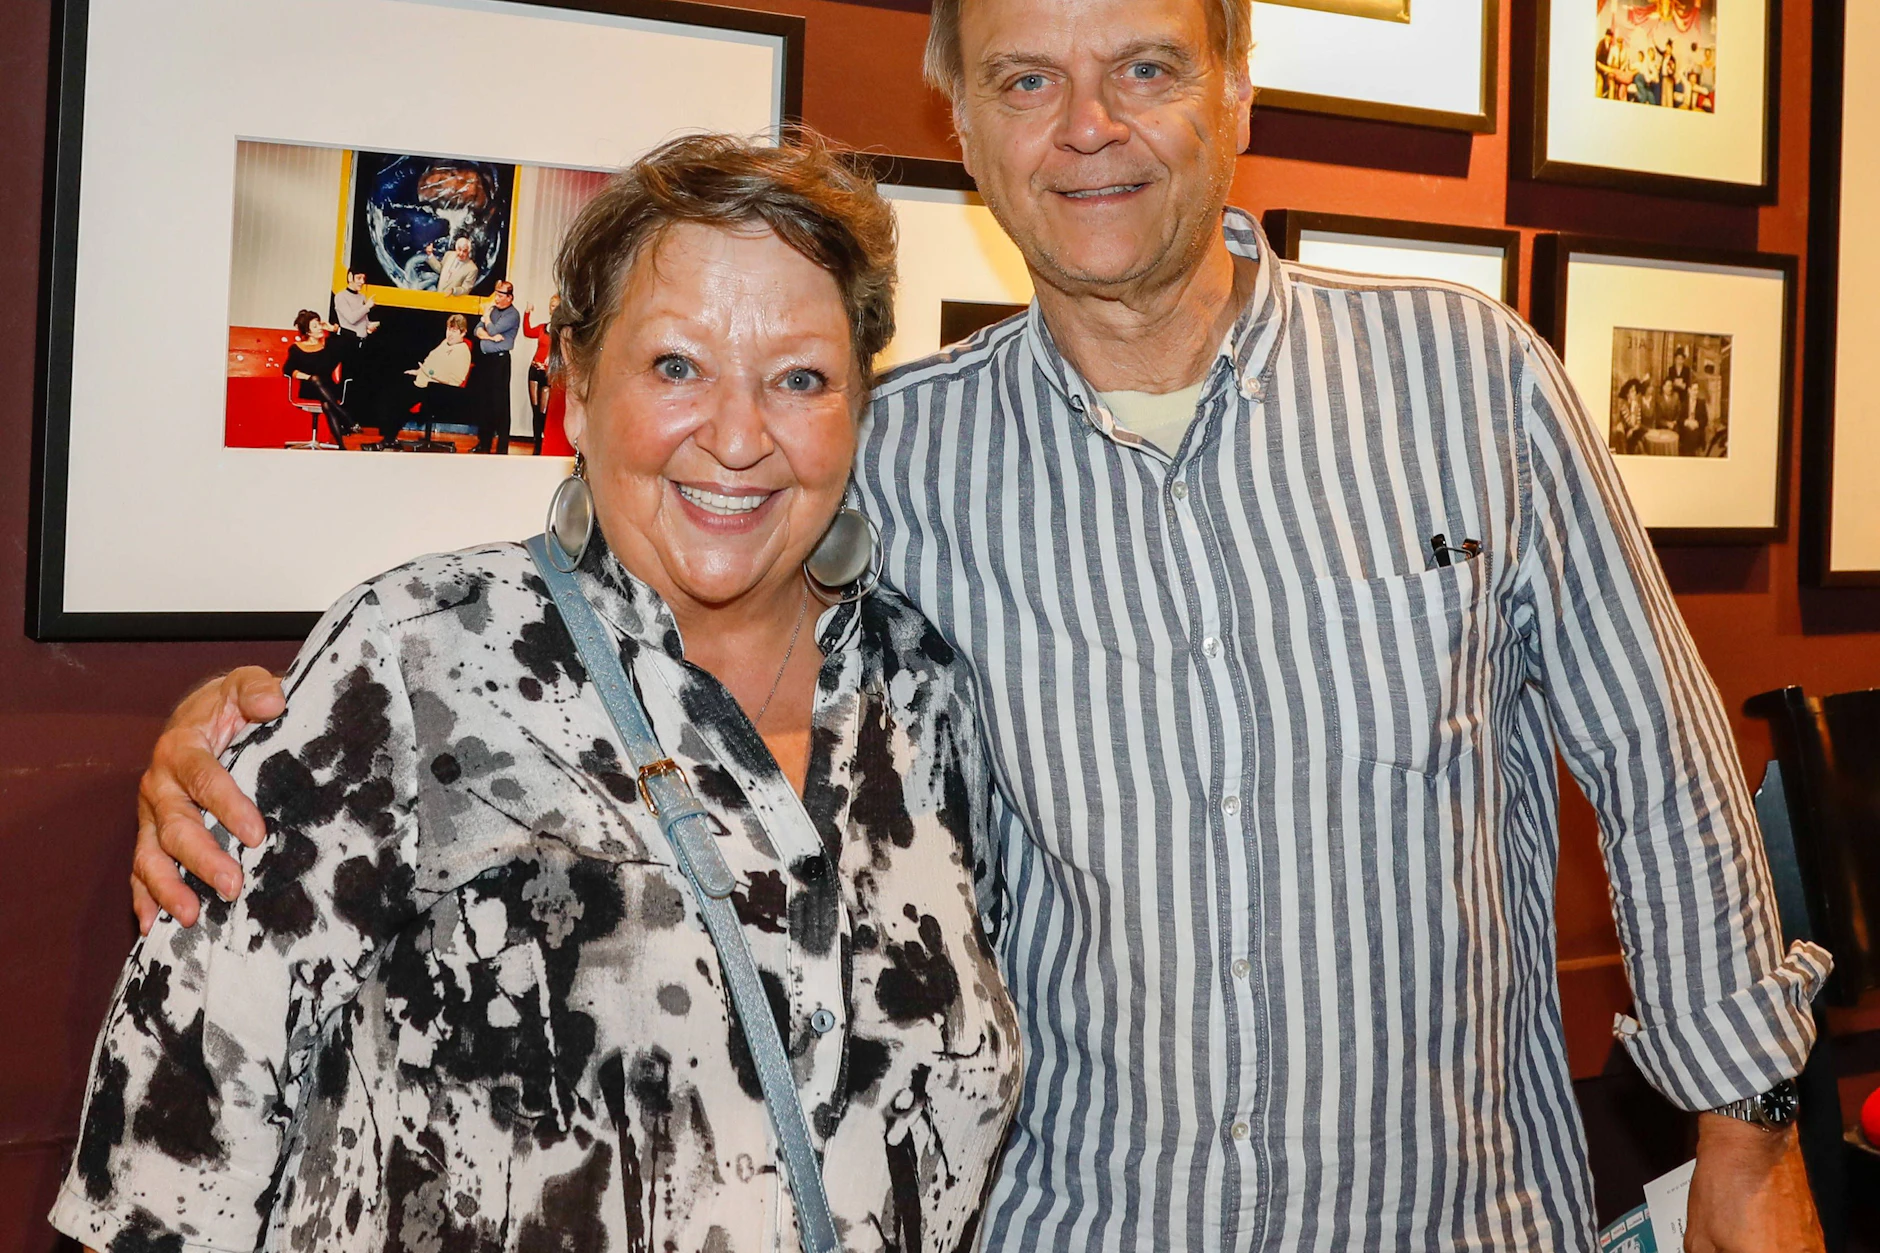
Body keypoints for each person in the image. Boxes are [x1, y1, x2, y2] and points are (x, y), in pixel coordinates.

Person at [129, 0, 1832, 1247]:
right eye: (1027, 76)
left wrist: (1746, 1142)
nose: (1087, 124)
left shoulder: (1473, 381)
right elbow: (633, 572)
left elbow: (1665, 760)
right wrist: (275, 731)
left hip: (1456, 1221)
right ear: (963, 118)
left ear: (1237, 80)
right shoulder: (903, 451)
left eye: (1145, 66)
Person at [53, 135, 1019, 1253]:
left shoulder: (920, 691)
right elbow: (158, 1172)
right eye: (675, 367)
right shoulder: (416, 664)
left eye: (798, 378)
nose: (740, 435)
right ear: (572, 388)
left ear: (857, 404)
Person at [280, 308, 359, 440]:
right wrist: (308, 377)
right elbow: (287, 369)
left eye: (319, 324)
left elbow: (354, 339)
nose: (320, 328)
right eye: (315, 326)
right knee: (316, 380)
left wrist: (334, 329)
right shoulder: (297, 348)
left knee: (327, 404)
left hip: (330, 388)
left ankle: (341, 447)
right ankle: (346, 417)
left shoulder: (329, 345)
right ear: (307, 331)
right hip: (310, 388)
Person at [471, 279, 521, 453]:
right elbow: (476, 330)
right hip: (485, 360)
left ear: (510, 297)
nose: (497, 298)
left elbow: (492, 328)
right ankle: (483, 443)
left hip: (499, 362)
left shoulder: (512, 314)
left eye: (501, 295)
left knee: (499, 404)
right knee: (484, 402)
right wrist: (490, 336)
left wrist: (486, 320)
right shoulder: (492, 310)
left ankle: (501, 447)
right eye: (496, 294)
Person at [523, 294, 558, 451]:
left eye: (558, 306)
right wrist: (527, 313)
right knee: (535, 409)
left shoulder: (562, 332)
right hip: (534, 371)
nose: (554, 309)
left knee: (544, 411)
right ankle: (536, 444)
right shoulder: (543, 328)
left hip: (548, 374)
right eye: (552, 306)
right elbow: (528, 331)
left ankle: (543, 443)